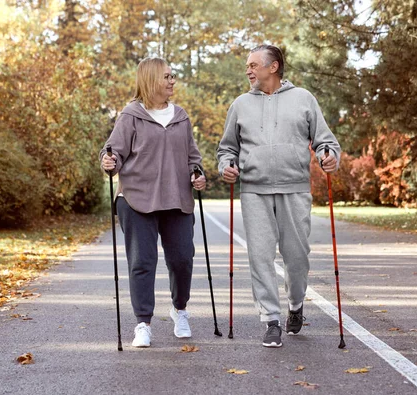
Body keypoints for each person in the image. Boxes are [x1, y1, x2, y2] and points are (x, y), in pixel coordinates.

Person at [217, 44, 341, 348]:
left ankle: (296, 305)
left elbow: (326, 142)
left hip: (295, 187)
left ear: (273, 67)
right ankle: (270, 320)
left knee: (297, 257)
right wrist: (227, 166)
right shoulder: (240, 105)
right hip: (255, 191)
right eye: (247, 66)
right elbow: (227, 148)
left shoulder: (303, 99)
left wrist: (329, 157)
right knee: (259, 256)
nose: (248, 70)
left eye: (253, 65)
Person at [99, 57, 206, 348]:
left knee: (183, 259)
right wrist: (109, 162)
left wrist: (198, 174)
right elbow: (113, 155)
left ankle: (179, 310)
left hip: (177, 199)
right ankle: (143, 323)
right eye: (167, 77)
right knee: (142, 263)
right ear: (150, 80)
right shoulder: (130, 116)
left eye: (173, 76)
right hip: (136, 198)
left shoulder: (181, 116)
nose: (172, 81)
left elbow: (192, 157)